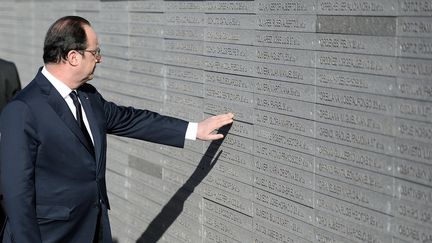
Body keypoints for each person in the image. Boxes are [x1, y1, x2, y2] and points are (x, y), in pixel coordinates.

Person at [0, 16, 234, 243]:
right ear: (73, 57)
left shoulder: (88, 97)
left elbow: (132, 120)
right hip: (52, 235)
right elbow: (16, 195)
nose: (99, 59)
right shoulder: (23, 109)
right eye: (95, 52)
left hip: (95, 228)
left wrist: (194, 129)